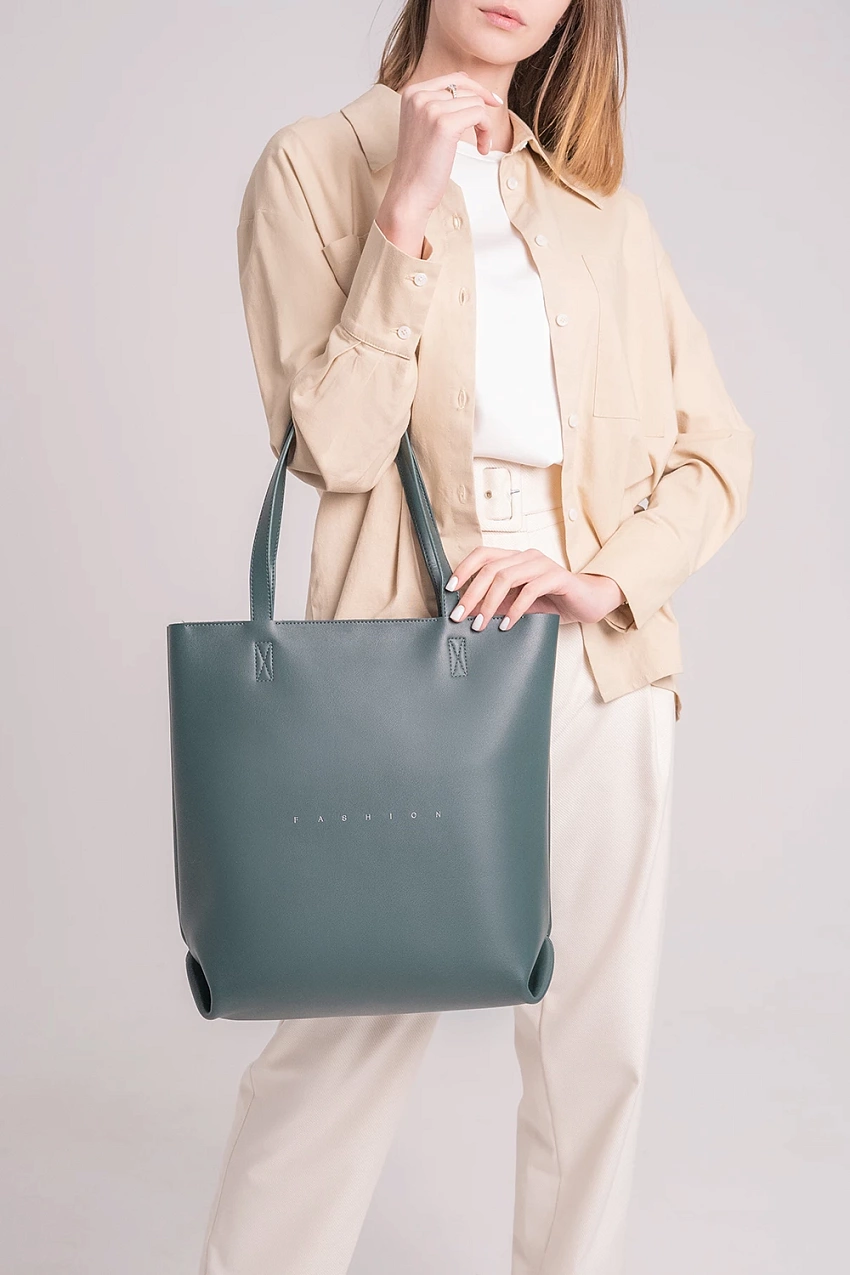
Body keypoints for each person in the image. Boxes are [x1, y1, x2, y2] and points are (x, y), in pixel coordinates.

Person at [197, 2, 754, 1272]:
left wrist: (604, 579)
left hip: (596, 659)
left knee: (594, 1050)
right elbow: (331, 447)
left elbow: (715, 450)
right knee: (344, 1029)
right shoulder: (313, 164)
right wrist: (405, 209)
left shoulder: (601, 212)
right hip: (402, 655)